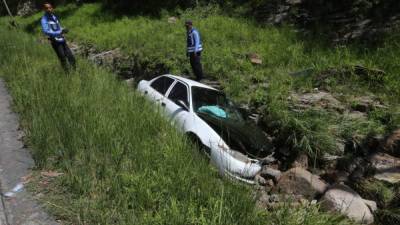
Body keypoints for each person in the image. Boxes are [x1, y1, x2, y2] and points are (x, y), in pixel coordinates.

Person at [41, 3, 76, 71]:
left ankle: (75, 71)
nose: (49, 9)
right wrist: (58, 32)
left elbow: (58, 27)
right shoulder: (44, 19)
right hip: (55, 41)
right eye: (46, 8)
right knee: (62, 58)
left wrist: (63, 29)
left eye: (50, 7)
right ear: (44, 9)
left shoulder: (54, 17)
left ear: (52, 8)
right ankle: (67, 75)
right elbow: (46, 31)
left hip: (62, 39)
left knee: (70, 56)